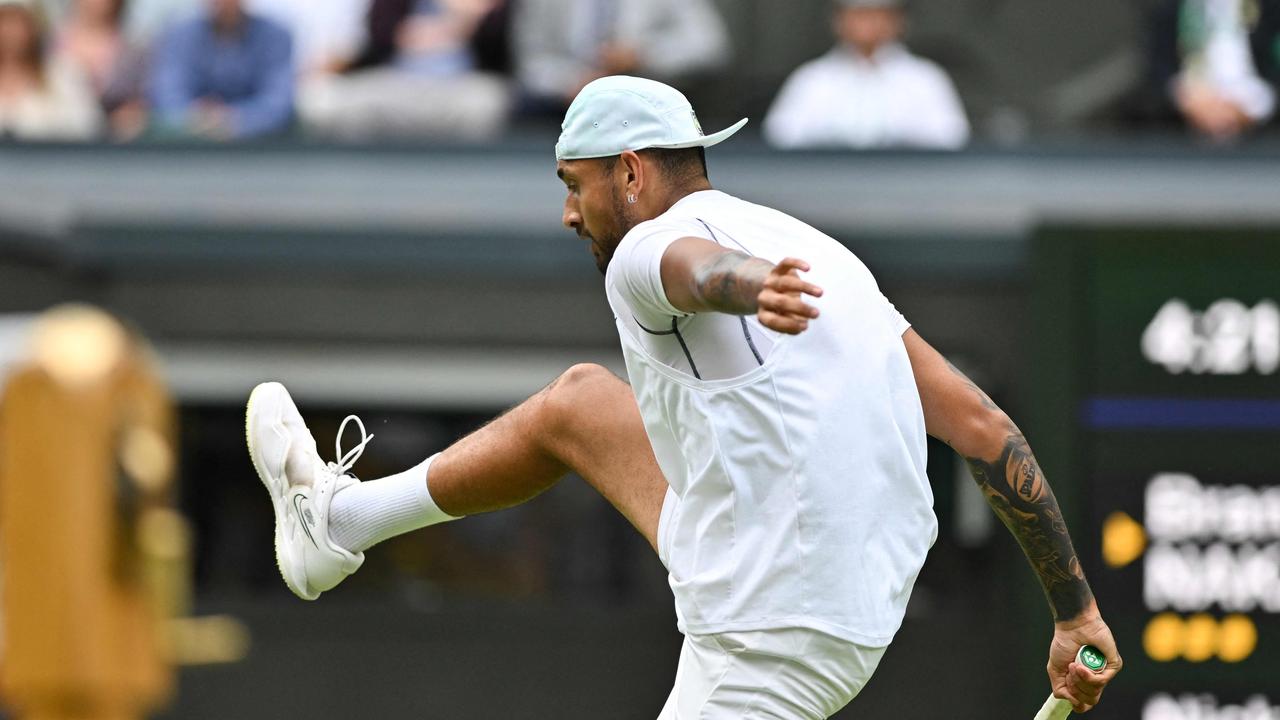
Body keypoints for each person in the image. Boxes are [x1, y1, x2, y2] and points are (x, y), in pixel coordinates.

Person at [246, 76, 1120, 718]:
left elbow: (690, 271)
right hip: (846, 598)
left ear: (630, 173)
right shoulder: (825, 253)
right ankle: (339, 525)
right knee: (580, 405)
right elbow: (984, 427)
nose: (567, 215)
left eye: (572, 185)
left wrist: (745, 287)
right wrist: (1075, 610)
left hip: (766, 642)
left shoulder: (646, 253)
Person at [763, 0, 968, 150]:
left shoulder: (926, 79)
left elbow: (951, 138)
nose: (868, 23)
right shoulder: (812, 79)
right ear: (839, 21)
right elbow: (780, 137)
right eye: (859, 14)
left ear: (898, 21)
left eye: (878, 14)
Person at [296, 0, 509, 141]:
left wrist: (466, 20)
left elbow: (500, 43)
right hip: (396, 83)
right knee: (322, 102)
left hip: (463, 84)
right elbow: (380, 35)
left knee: (488, 104)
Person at [513, 0, 729, 115]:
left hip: (652, 110)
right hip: (563, 115)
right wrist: (570, 83)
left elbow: (709, 45)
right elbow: (531, 62)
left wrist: (643, 55)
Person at [149, 0, 293, 140]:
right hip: (189, 151)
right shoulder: (180, 34)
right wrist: (196, 117)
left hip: (257, 151)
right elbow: (166, 95)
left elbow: (278, 103)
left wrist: (233, 120)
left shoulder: (275, 36)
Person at [1143, 0, 1280, 140]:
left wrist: (1251, 108)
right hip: (1182, 131)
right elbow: (1159, 70)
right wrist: (1190, 101)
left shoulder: (1270, 8)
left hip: (1264, 134)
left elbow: (1274, 71)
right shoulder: (1172, 9)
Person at [0, 0, 99, 139]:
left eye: (17, 22)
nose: (10, 32)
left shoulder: (64, 75)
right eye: (4, 21)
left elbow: (88, 130)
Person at [54, 0, 148, 139]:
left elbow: (145, 98)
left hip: (119, 143)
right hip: (61, 138)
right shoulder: (51, 45)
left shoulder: (135, 50)